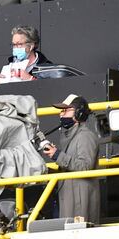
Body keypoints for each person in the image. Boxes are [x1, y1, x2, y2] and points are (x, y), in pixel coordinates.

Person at [42, 94, 99, 223]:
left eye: (65, 110)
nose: (61, 114)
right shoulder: (72, 137)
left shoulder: (85, 136)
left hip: (79, 203)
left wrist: (58, 155)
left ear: (78, 114)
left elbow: (85, 166)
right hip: (70, 200)